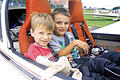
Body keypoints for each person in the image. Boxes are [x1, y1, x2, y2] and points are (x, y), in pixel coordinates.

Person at [49, 7, 120, 80]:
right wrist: (74, 43)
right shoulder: (51, 38)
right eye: (59, 23)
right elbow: (59, 55)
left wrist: (80, 48)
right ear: (52, 23)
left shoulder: (69, 34)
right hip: (75, 66)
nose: (63, 26)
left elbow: (78, 52)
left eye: (66, 23)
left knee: (113, 54)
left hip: (82, 60)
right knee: (101, 63)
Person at [24, 13, 82, 80]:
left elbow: (52, 61)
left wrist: (64, 60)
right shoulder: (33, 50)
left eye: (49, 33)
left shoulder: (47, 47)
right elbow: (41, 71)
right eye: (41, 33)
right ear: (32, 32)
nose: (46, 37)